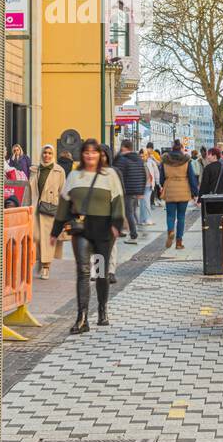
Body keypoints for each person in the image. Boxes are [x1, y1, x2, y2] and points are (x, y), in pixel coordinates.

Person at [50, 138, 125, 334]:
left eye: (94, 152)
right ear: (82, 154)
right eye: (86, 152)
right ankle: (82, 317)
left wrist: (117, 224)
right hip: (81, 230)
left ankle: (102, 308)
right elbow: (64, 204)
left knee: (100, 273)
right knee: (83, 272)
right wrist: (55, 231)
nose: (90, 155)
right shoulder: (74, 176)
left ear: (100, 155)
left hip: (103, 233)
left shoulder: (110, 175)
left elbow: (118, 201)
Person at [27, 144, 66, 279]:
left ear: (53, 155)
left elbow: (63, 192)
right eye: (45, 153)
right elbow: (29, 190)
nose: (47, 155)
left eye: (50, 153)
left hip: (50, 209)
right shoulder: (35, 170)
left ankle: (46, 267)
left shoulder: (59, 171)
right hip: (35, 208)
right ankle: (39, 261)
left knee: (47, 240)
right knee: (35, 238)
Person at [159, 139, 198, 249]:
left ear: (172, 148)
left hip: (170, 189)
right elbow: (191, 177)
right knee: (181, 217)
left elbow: (161, 179)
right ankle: (179, 242)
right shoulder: (186, 161)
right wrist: (195, 193)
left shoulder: (165, 161)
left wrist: (165, 184)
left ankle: (171, 231)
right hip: (183, 190)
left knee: (170, 215)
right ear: (181, 149)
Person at [111, 139, 147, 245]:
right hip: (136, 190)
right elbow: (143, 175)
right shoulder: (138, 159)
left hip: (126, 190)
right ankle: (132, 230)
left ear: (123, 148)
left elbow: (117, 174)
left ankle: (133, 234)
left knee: (128, 213)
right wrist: (141, 191)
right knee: (131, 211)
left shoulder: (122, 159)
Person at [140, 147, 159, 226]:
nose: (142, 157)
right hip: (141, 186)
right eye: (141, 156)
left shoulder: (151, 162)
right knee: (142, 203)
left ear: (147, 155)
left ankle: (148, 219)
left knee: (146, 202)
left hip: (149, 185)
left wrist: (158, 183)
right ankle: (142, 220)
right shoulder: (138, 163)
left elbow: (156, 172)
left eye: (143, 156)